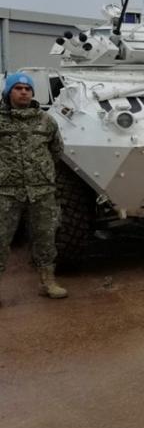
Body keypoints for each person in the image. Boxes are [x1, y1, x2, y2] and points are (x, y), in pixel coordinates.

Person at [0, 72, 68, 302]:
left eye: (27, 89)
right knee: (1, 239)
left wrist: (42, 173)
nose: (23, 92)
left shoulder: (46, 120)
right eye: (18, 88)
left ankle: (47, 281)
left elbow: (57, 151)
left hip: (41, 191)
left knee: (45, 237)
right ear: (9, 92)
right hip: (6, 192)